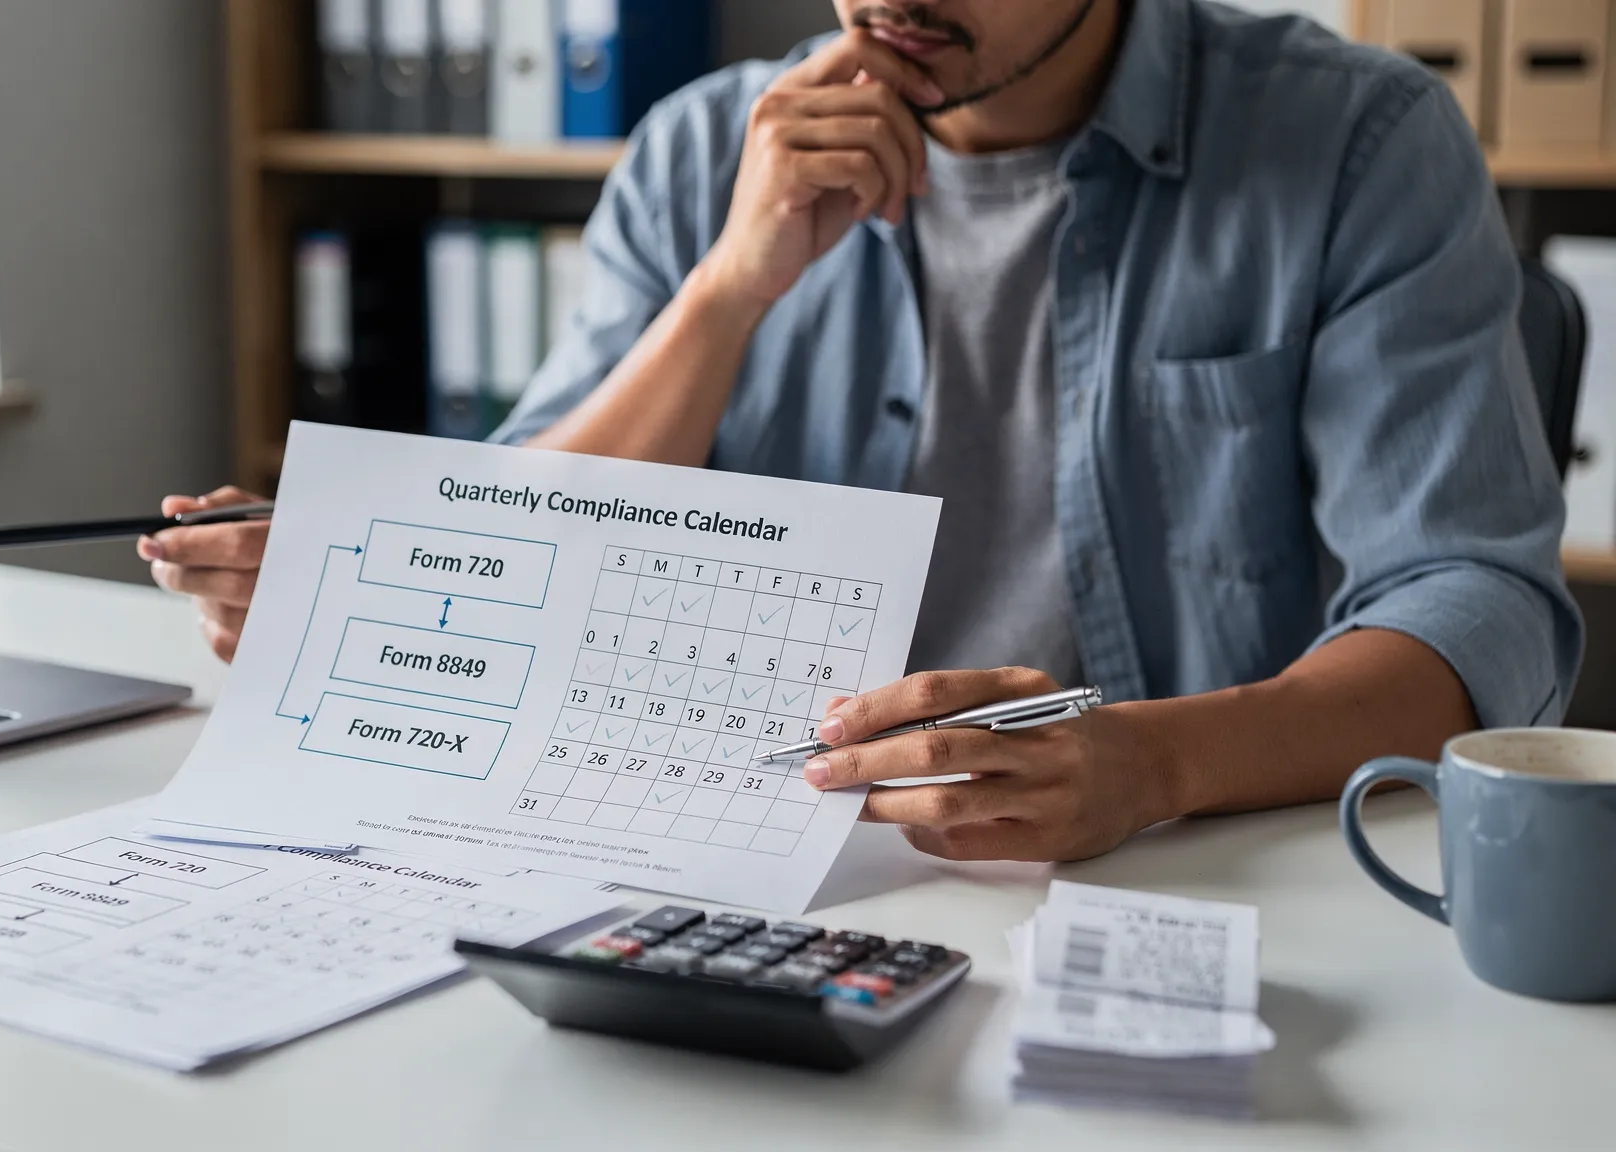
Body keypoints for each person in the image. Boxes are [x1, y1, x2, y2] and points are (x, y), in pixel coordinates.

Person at [143, 0, 1580, 864]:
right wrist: (726, 292)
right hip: (751, 861)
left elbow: (1474, 609)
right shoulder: (708, 148)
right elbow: (526, 544)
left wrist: (1150, 764)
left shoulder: (1356, 146)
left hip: (1177, 864)